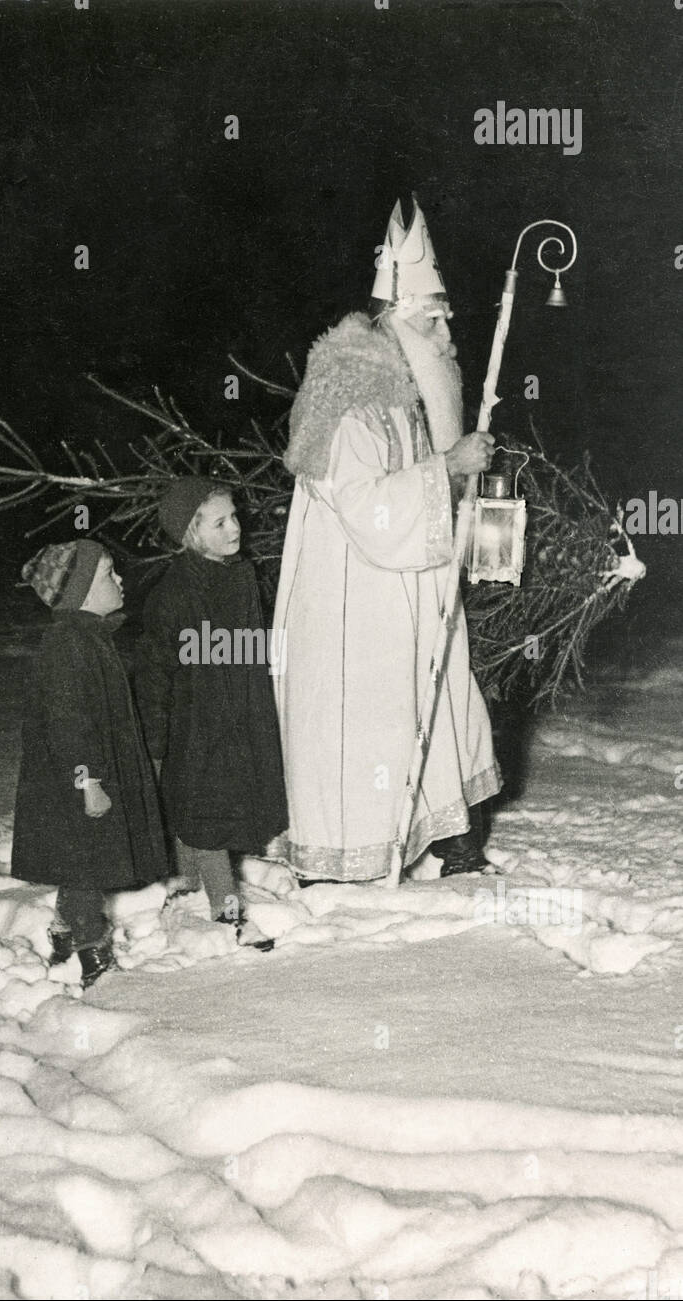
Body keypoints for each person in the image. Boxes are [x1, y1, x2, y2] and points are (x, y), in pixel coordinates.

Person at [270, 197, 502, 881]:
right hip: (358, 609)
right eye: (433, 318)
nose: (447, 331)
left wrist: (467, 485)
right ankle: (344, 863)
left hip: (415, 593)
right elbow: (366, 507)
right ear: (396, 322)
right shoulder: (346, 401)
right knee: (368, 726)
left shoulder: (404, 395)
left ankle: (454, 840)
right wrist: (447, 468)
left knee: (445, 707)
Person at [135, 477, 288, 949]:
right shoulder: (174, 591)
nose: (234, 527)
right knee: (205, 810)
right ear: (191, 532)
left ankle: (185, 882)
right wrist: (156, 734)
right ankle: (227, 911)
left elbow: (247, 648)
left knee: (202, 805)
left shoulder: (240, 575)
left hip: (238, 714)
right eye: (219, 522)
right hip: (194, 722)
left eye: (234, 517)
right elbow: (156, 667)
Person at [11, 538, 168, 986]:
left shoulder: (90, 637)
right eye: (107, 575)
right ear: (79, 591)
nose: (120, 579)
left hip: (88, 772)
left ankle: (63, 931)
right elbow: (68, 721)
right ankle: (92, 955)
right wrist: (88, 781)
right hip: (76, 778)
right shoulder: (69, 643)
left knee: (84, 857)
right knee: (87, 863)